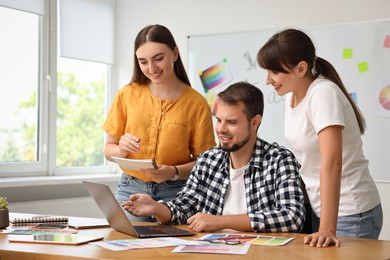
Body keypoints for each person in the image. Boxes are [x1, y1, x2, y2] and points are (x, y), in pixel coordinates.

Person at [122, 81, 306, 233]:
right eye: (219, 120)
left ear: (255, 122)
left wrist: (221, 221)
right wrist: (157, 208)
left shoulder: (280, 160)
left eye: (231, 122)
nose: (221, 129)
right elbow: (185, 206)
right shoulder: (208, 160)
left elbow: (292, 217)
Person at [257, 28, 383, 247]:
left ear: (301, 68)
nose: (268, 80)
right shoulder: (292, 96)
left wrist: (327, 227)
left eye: (274, 72)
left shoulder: (323, 94)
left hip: (350, 212)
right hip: (322, 210)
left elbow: (332, 162)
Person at [103, 24, 216, 222]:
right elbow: (108, 150)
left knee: (171, 252)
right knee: (127, 251)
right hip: (131, 190)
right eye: (143, 62)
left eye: (158, 59)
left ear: (174, 54)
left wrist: (173, 172)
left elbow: (204, 162)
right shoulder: (127, 95)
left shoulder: (196, 103)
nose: (152, 69)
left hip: (178, 194)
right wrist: (120, 150)